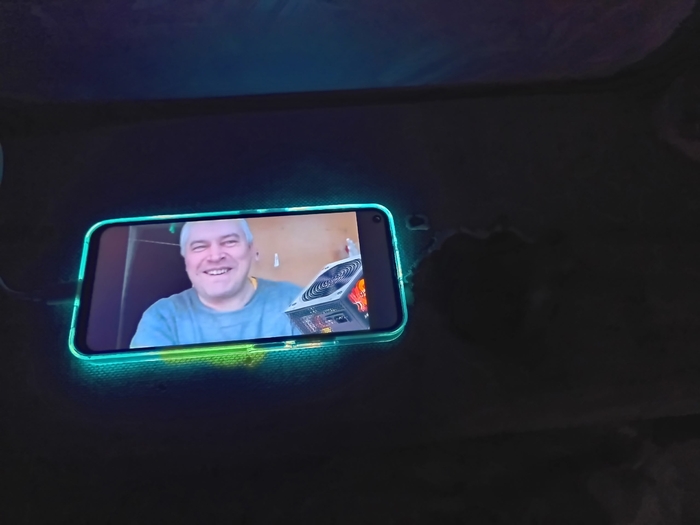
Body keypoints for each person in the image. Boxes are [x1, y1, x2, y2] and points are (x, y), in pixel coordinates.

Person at [130, 218, 302, 348]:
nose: (215, 256)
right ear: (186, 260)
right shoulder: (162, 318)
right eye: (199, 246)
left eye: (229, 242)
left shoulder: (297, 302)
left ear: (251, 250)